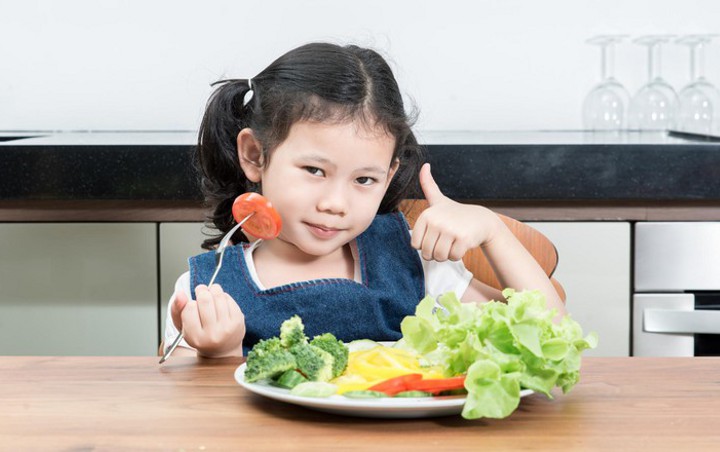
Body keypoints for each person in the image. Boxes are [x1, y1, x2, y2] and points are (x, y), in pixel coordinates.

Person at [164, 42, 566, 359]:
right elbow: (184, 410)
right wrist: (221, 353)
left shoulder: (413, 265)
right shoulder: (207, 291)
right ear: (255, 155)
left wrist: (492, 230)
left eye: (364, 179)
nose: (336, 203)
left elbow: (550, 334)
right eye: (314, 171)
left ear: (389, 175)